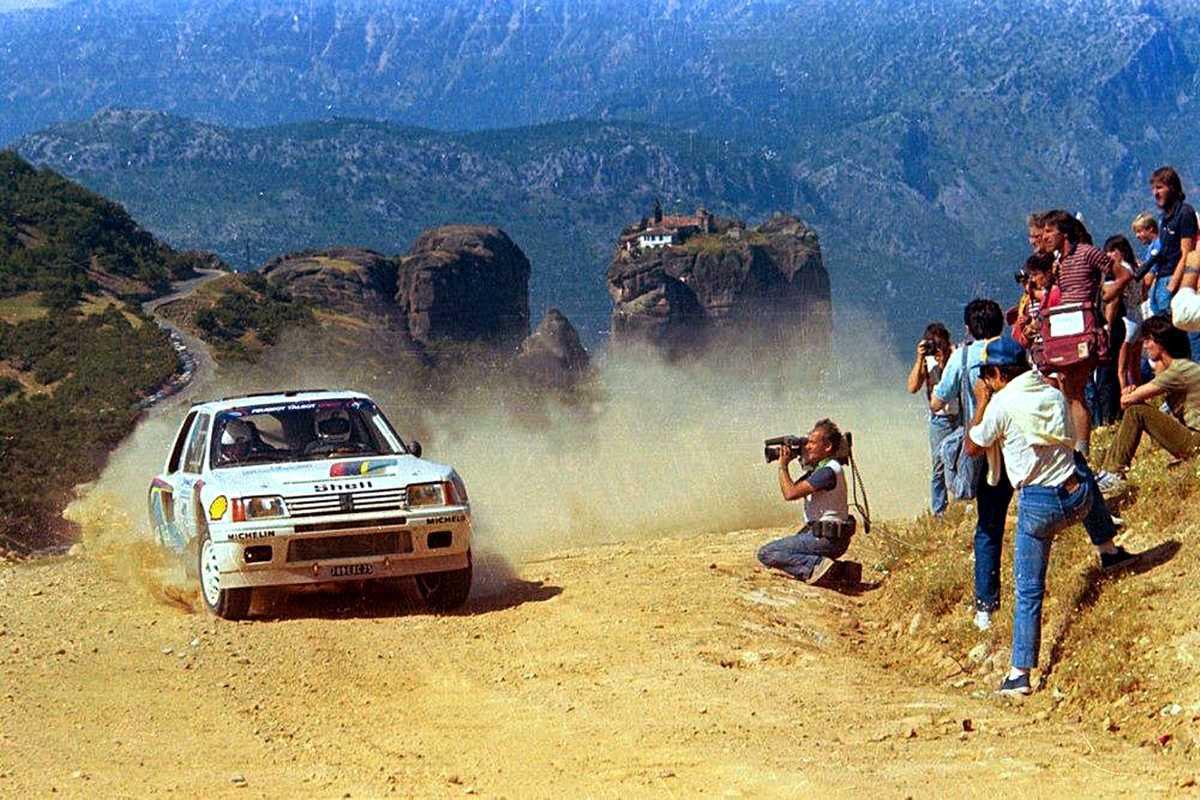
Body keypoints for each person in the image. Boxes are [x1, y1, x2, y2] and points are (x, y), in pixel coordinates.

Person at [963, 336, 1105, 696]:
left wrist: (981, 403)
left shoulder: (1002, 403)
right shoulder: (1053, 393)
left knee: (1028, 591)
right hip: (1080, 498)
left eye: (988, 376)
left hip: (1040, 506)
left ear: (997, 374)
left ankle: (1019, 673)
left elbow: (972, 447)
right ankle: (1109, 547)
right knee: (1079, 466)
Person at [931, 299, 1012, 629]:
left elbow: (938, 400)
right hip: (1014, 445)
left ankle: (985, 606)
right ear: (1000, 325)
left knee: (988, 526)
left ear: (967, 328)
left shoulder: (961, 357)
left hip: (980, 444)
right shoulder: (1013, 349)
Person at [1094, 316, 1200, 496]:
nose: (1145, 345)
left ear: (1162, 342)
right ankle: (1111, 472)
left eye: (1149, 340)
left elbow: (1126, 402)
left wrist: (1129, 393)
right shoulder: (1179, 368)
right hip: (1194, 437)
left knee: (1136, 411)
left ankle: (1112, 473)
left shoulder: (1178, 371)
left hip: (1196, 441)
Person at [1038, 209, 1109, 456]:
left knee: (1076, 390)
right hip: (1064, 327)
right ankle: (1075, 445)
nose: (1044, 236)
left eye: (1049, 231)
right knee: (1067, 389)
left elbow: (1117, 272)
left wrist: (1104, 298)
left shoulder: (1087, 253)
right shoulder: (1060, 263)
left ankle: (1082, 449)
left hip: (1082, 326)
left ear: (1064, 232)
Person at [757, 419, 855, 585]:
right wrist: (802, 459)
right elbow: (795, 487)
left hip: (828, 540)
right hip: (829, 538)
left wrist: (783, 465)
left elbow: (790, 493)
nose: (807, 447)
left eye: (811, 443)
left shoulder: (827, 472)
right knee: (786, 550)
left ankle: (817, 567)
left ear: (828, 447)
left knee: (767, 553)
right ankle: (844, 571)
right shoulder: (822, 469)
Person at [906, 322, 956, 516]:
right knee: (938, 465)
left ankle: (964, 501)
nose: (937, 349)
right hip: (940, 419)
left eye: (940, 344)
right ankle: (939, 510)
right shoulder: (926, 361)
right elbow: (912, 387)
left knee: (962, 460)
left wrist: (947, 355)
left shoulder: (956, 356)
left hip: (959, 415)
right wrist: (920, 358)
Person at [1151, 167, 1199, 355]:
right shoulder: (1164, 218)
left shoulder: (1185, 213)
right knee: (1164, 338)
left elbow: (1186, 252)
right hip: (1161, 277)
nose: (1156, 193)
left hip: (1175, 280)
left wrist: (1173, 285)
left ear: (1172, 187)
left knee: (1183, 334)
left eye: (1160, 187)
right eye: (1154, 188)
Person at [1103, 235, 1145, 392]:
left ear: (1120, 251)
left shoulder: (1121, 271)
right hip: (1138, 317)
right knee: (1135, 368)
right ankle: (1141, 396)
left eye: (1111, 251)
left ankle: (1124, 397)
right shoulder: (1136, 267)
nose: (1108, 255)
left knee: (1121, 370)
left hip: (1126, 319)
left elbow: (1111, 296)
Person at [1131, 212, 1165, 315]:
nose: (1137, 236)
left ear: (1150, 229)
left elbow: (1150, 274)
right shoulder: (1154, 246)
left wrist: (1142, 296)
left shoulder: (1156, 246)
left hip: (1159, 291)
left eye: (1139, 231)